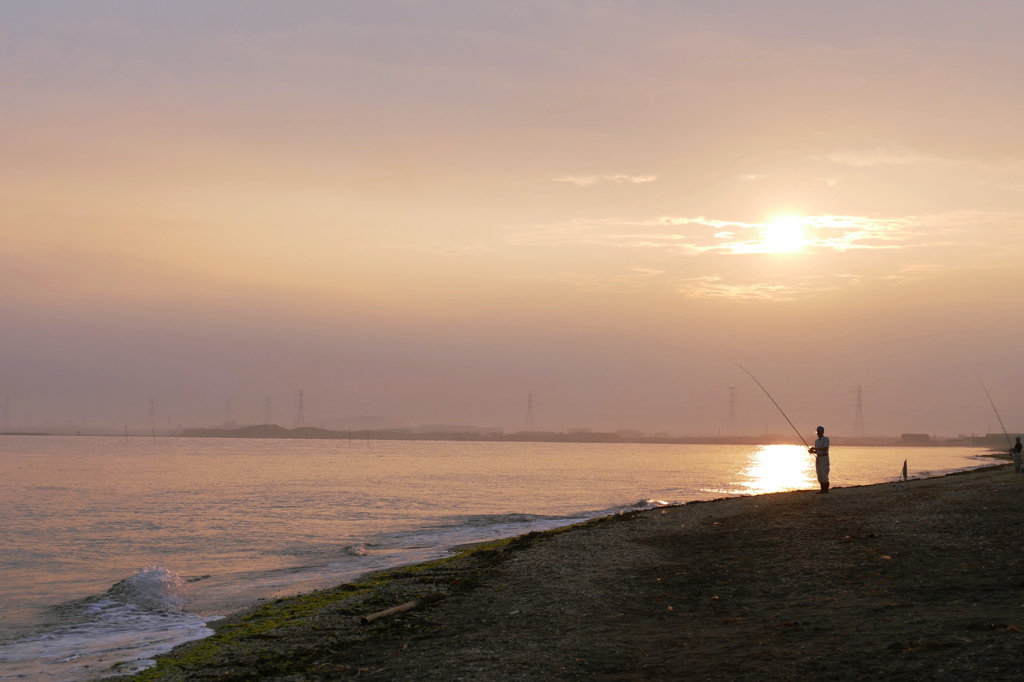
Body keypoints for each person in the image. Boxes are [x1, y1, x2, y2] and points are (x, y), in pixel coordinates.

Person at [808, 425, 830, 494]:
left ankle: (825, 490)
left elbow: (825, 448)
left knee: (824, 474)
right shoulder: (816, 441)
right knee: (819, 473)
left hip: (824, 458)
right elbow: (817, 451)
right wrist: (812, 452)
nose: (818, 433)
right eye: (817, 432)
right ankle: (822, 490)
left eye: (819, 432)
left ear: (822, 432)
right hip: (818, 458)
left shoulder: (826, 439)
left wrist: (815, 449)